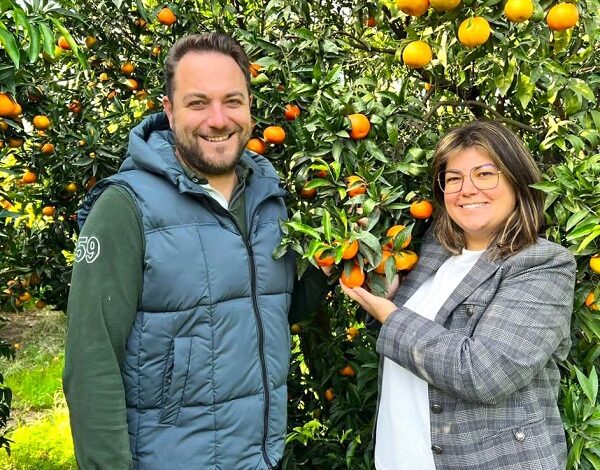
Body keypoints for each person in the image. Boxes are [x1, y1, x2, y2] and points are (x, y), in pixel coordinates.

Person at [63, 32, 328, 470]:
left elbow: (269, 309)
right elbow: (92, 362)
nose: (218, 119)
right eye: (198, 102)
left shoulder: (268, 198)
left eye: (233, 101)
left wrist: (332, 266)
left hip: (260, 457)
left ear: (250, 107)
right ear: (168, 111)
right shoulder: (125, 208)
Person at [341, 120, 576, 470]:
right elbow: (410, 339)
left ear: (516, 180)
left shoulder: (542, 264)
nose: (467, 189)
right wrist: (381, 291)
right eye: (454, 179)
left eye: (484, 174)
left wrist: (390, 315)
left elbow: (485, 373)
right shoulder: (435, 251)